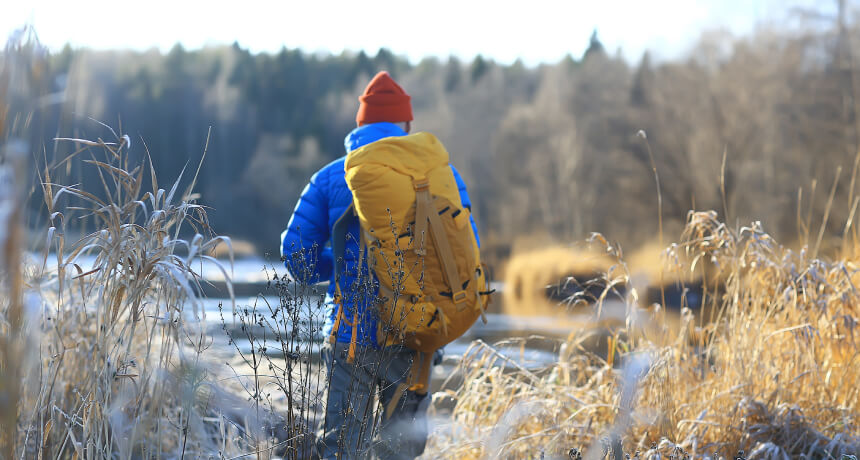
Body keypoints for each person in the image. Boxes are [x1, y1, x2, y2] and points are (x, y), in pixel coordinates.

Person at [280, 71, 479, 460]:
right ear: (406, 124)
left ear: (360, 125)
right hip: (416, 333)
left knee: (342, 449)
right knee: (400, 451)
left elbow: (296, 256)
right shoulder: (443, 175)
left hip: (350, 336)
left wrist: (337, 265)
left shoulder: (331, 177)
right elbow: (465, 249)